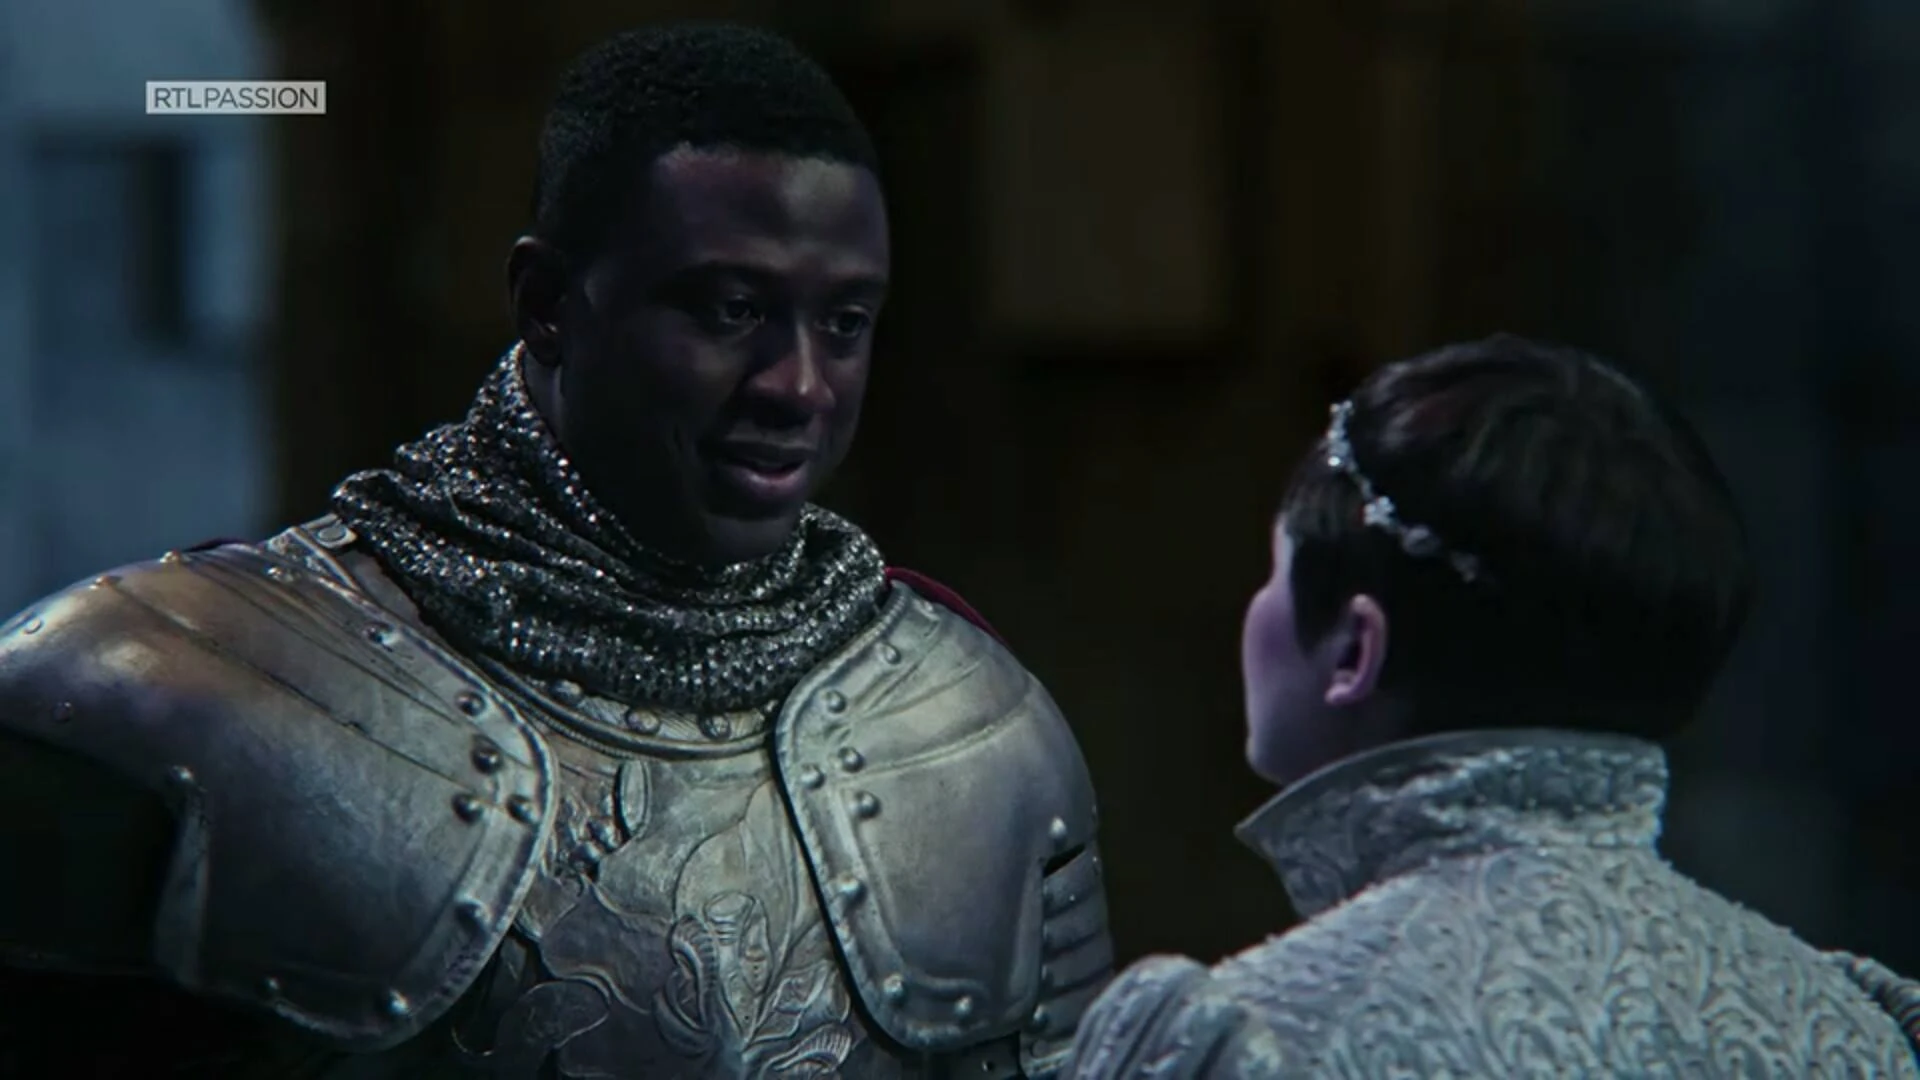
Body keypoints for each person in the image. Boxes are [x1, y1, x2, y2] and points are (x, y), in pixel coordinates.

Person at [0, 23, 1111, 1078]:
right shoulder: (166, 691)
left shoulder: (975, 731)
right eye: (731, 310)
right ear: (546, 305)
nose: (800, 386)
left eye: (847, 324)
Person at [1063, 334, 1920, 1077]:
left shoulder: (1249, 1040)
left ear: (1356, 649)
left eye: (1273, 572)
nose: (1251, 610)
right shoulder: (1844, 1026)